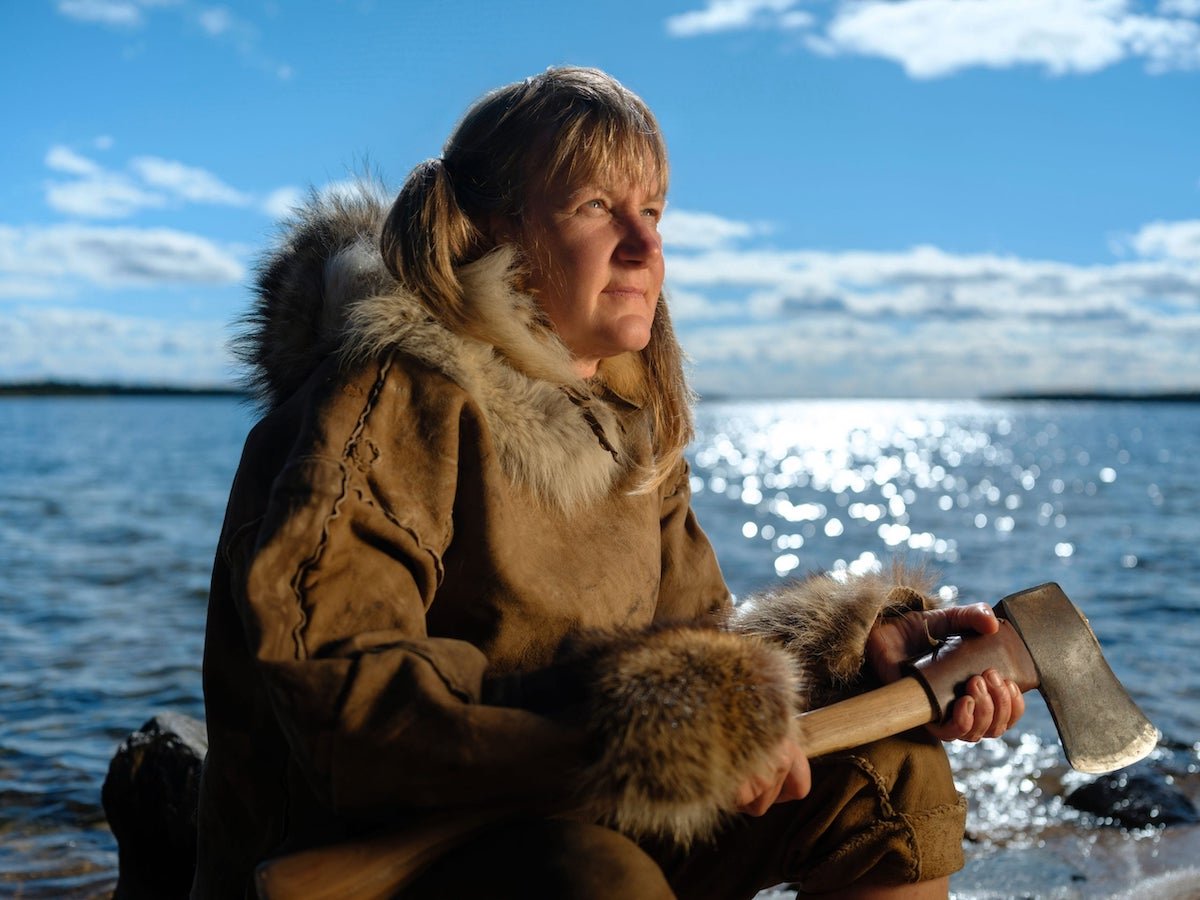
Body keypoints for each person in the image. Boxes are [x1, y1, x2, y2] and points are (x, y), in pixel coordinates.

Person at [191, 66, 1024, 899]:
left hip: (594, 800)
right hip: (386, 850)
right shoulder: (392, 398)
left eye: (653, 212)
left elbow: (700, 642)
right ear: (489, 232)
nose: (646, 244)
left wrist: (852, 660)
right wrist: (643, 730)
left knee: (887, 779)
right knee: (595, 876)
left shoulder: (628, 424)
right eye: (596, 206)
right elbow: (345, 700)